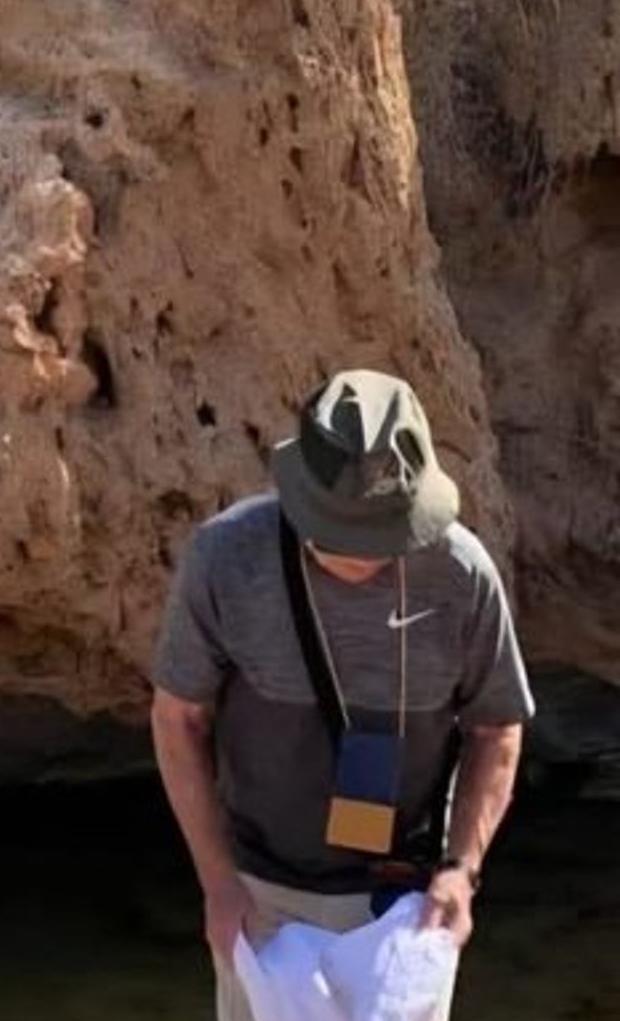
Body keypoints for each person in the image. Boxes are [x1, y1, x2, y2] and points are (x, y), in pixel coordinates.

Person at [150, 369, 533, 1021]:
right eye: (341, 531)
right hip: (262, 894)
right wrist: (218, 883)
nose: (362, 555)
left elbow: (496, 728)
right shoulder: (227, 558)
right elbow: (178, 720)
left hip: (405, 903)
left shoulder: (462, 574)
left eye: (382, 534)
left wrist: (461, 871)